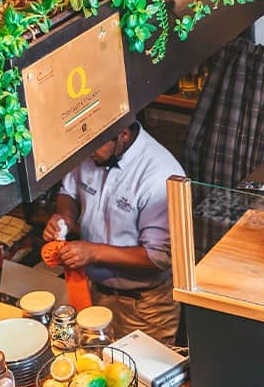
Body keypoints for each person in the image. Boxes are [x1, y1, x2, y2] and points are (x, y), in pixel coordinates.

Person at [42, 119, 183, 344]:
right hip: (95, 293)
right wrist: (65, 218)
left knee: (140, 373)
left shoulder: (159, 176)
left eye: (93, 149)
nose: (87, 156)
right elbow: (68, 192)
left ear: (123, 135)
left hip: (145, 307)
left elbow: (159, 258)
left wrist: (93, 253)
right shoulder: (90, 148)